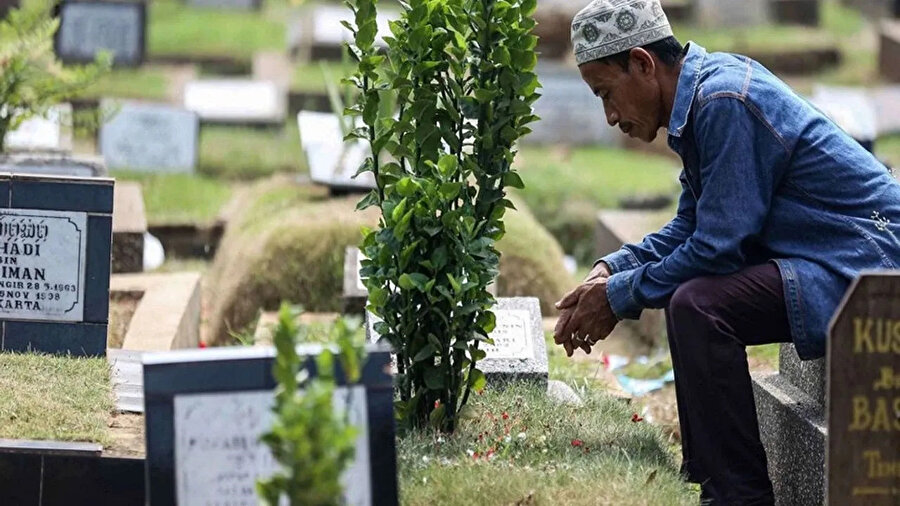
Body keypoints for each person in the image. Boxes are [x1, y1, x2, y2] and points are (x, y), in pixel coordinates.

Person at [553, 0, 900, 504]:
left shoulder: (724, 101)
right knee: (689, 299)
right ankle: (721, 483)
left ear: (644, 64)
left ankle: (738, 495)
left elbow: (717, 250)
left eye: (606, 93)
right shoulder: (702, 101)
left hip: (870, 262)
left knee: (699, 303)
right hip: (829, 257)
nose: (609, 116)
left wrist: (619, 296)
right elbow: (692, 227)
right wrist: (611, 269)